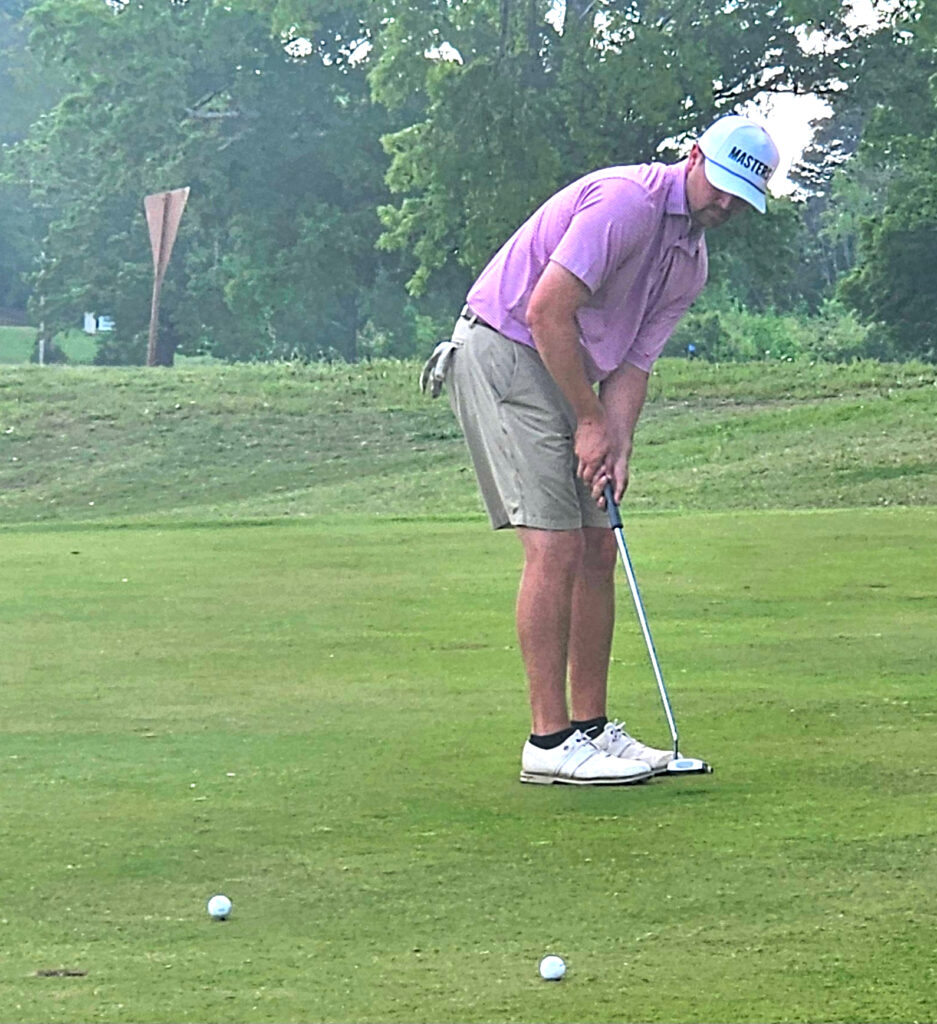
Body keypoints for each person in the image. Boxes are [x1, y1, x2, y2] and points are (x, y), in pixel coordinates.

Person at [420, 114, 780, 785]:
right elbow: (546, 310)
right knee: (554, 545)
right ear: (694, 156)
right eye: (722, 186)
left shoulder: (689, 262)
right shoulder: (626, 203)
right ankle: (548, 742)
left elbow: (633, 365)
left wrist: (616, 443)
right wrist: (588, 421)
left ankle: (590, 729)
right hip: (503, 352)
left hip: (564, 369)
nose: (725, 204)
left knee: (597, 544)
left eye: (741, 199)